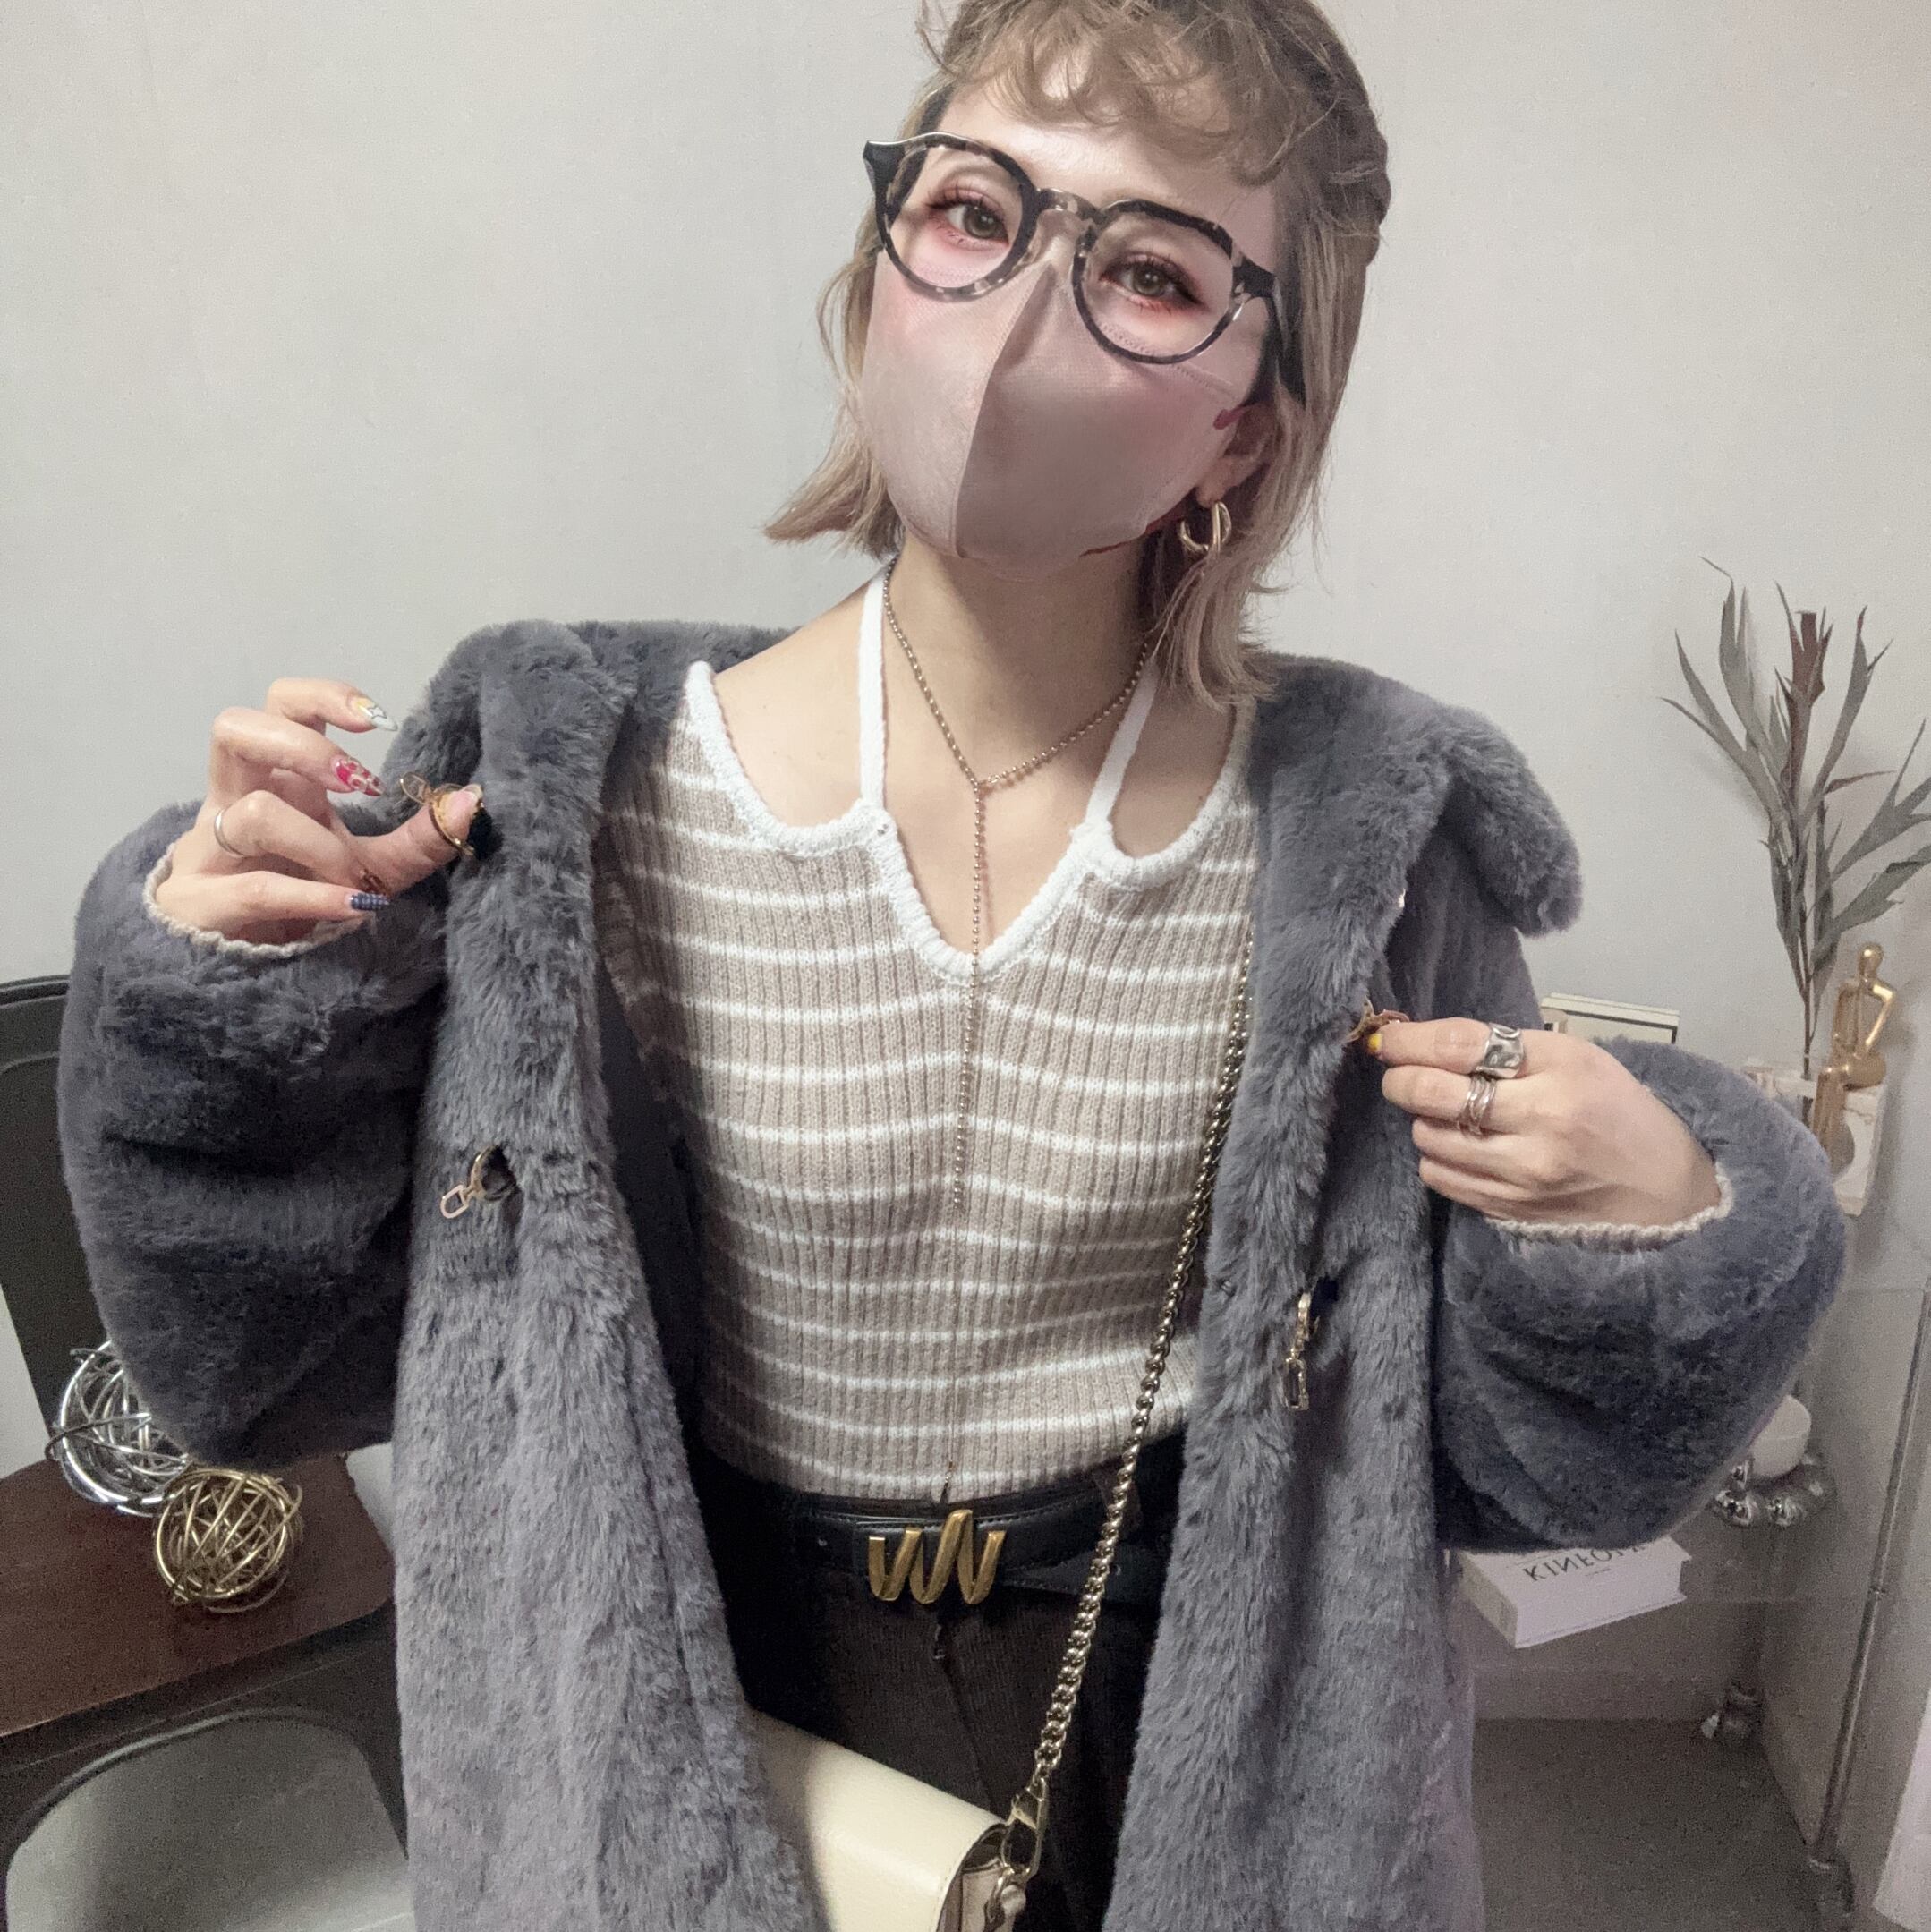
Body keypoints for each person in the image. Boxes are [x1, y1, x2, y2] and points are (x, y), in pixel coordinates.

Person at [55, 3, 1846, 1928]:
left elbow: (1501, 1468)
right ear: (878, 265)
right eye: (974, 211)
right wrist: (222, 1006)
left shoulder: (1364, 845)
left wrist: (1649, 1223)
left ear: (1249, 414)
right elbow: (268, 1372)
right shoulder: (574, 801)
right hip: (685, 1698)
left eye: (1149, 271)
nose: (1017, 319)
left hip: (1191, 1721)